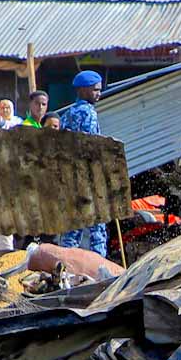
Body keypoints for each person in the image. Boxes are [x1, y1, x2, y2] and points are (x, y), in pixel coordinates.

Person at [56, 71, 108, 257]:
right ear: (83, 90)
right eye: (95, 90)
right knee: (97, 229)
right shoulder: (88, 113)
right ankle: (100, 265)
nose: (98, 94)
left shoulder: (67, 114)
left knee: (73, 229)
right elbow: (90, 147)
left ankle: (66, 264)